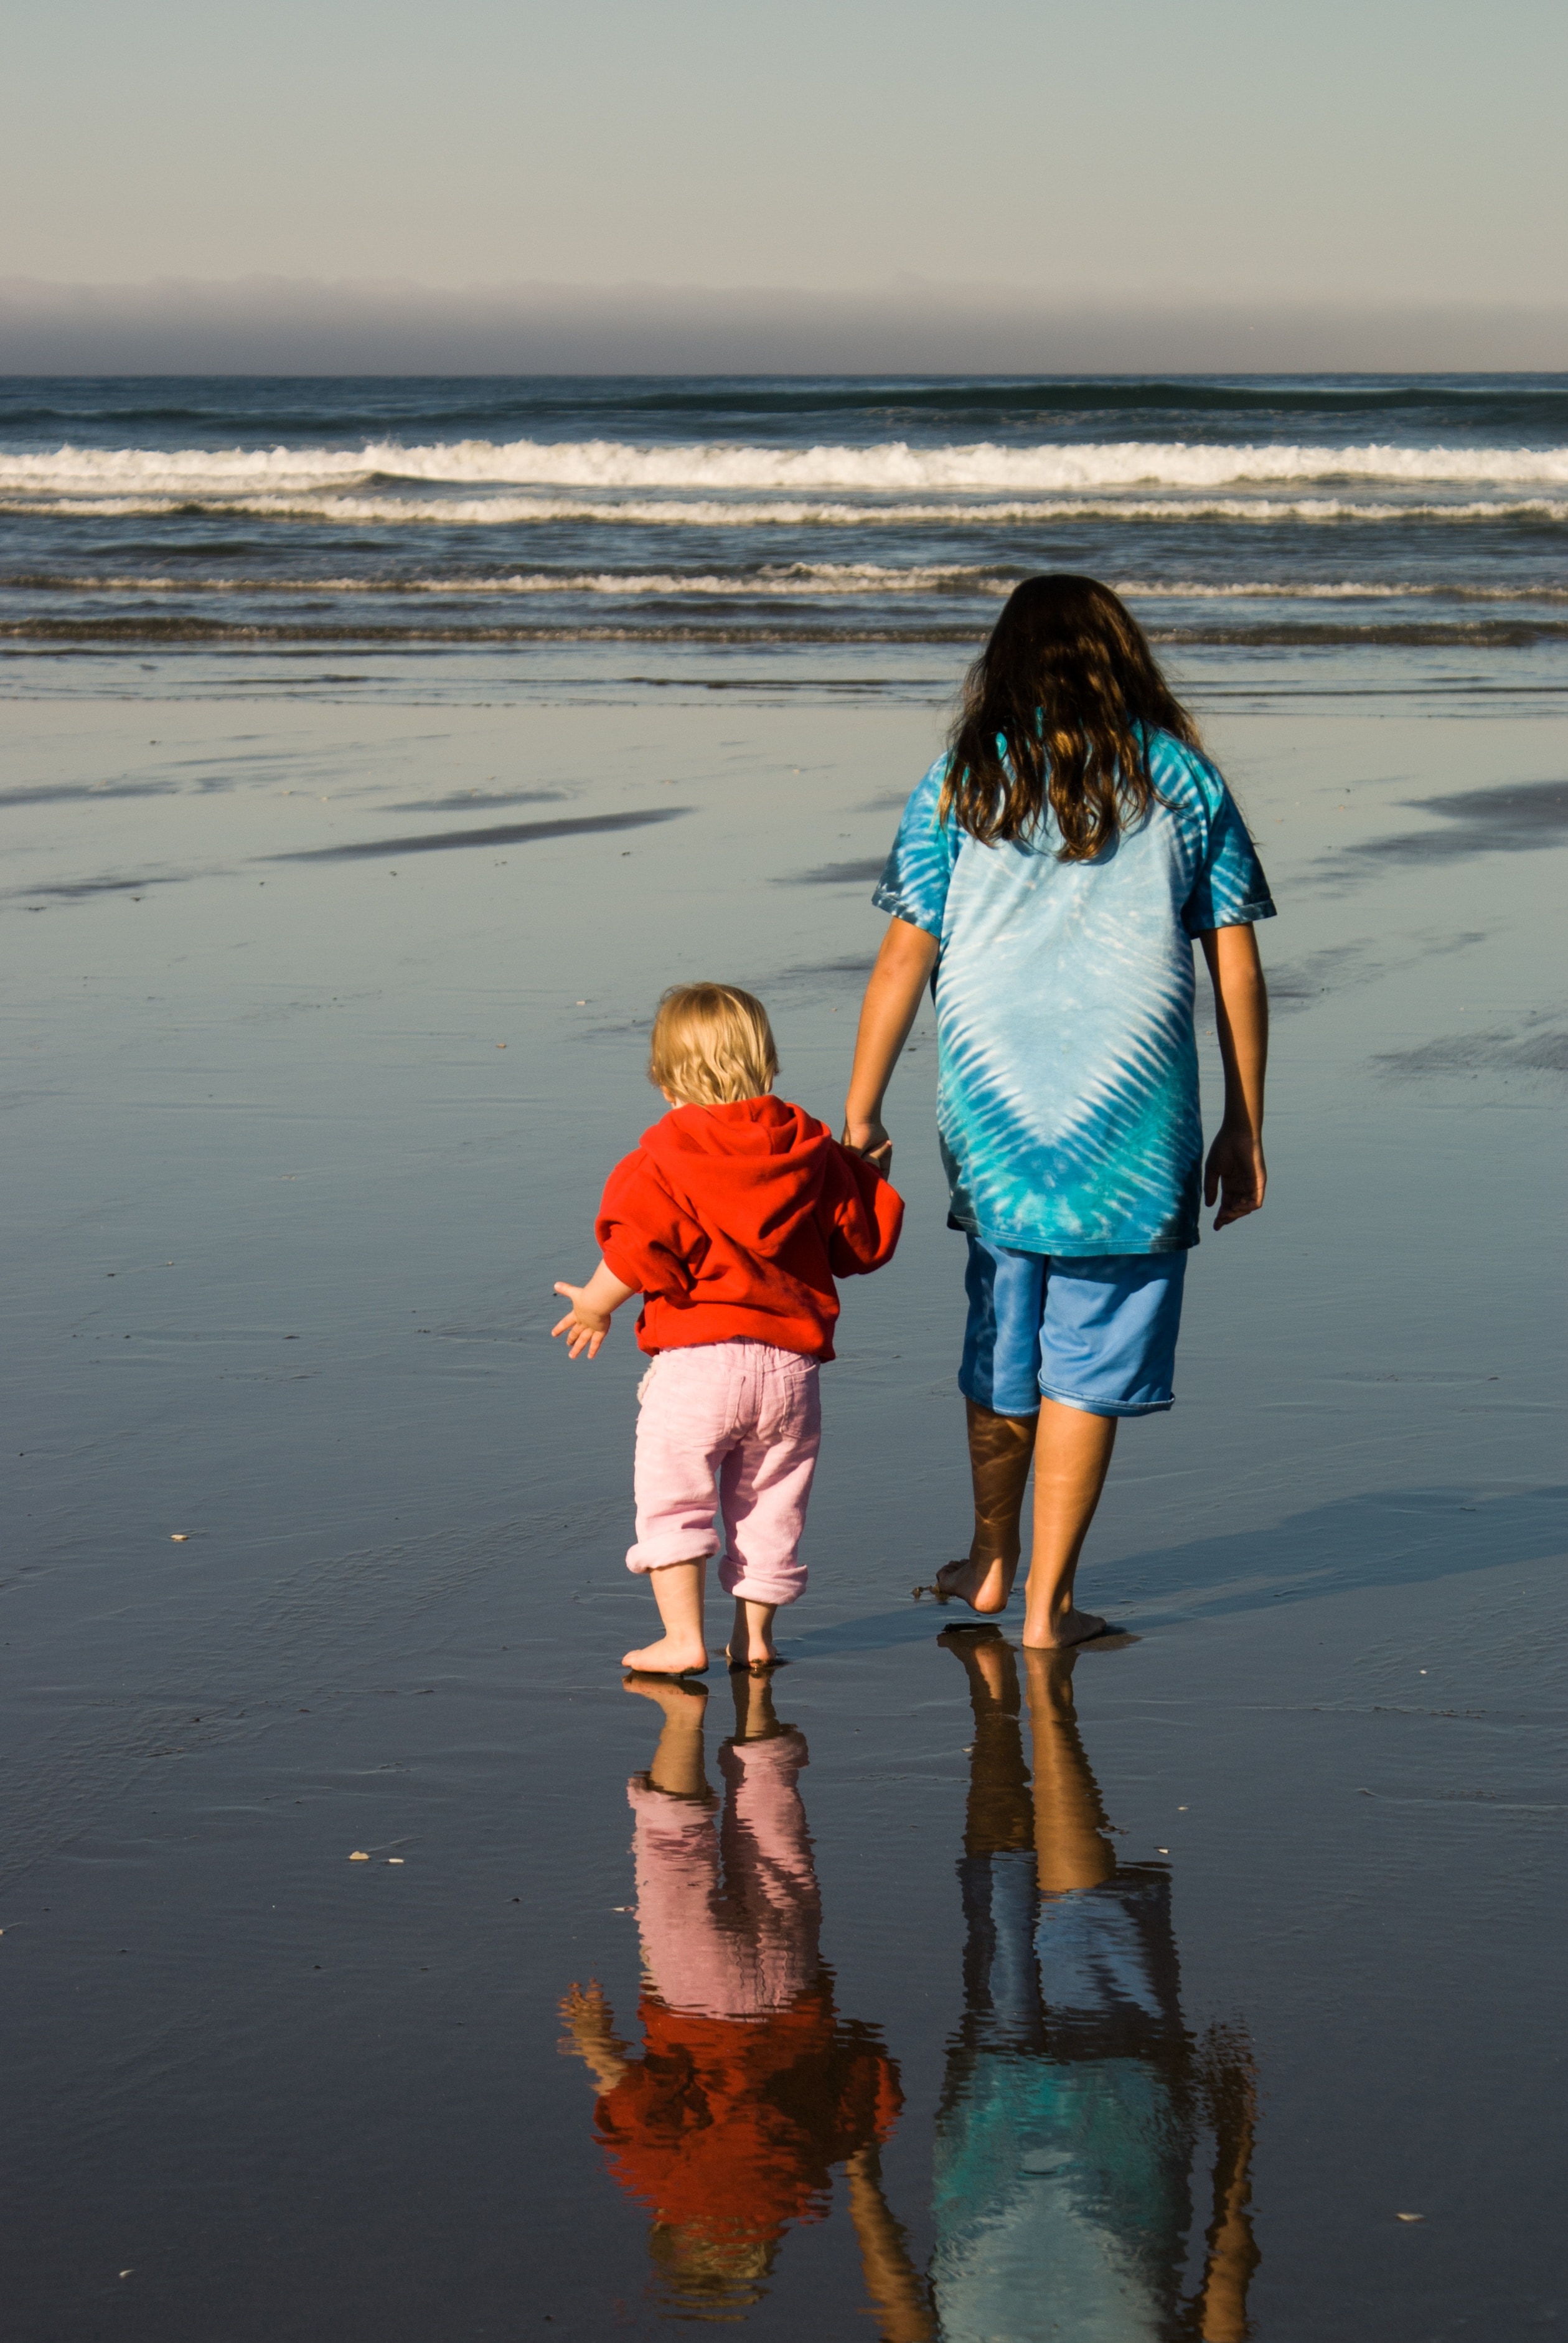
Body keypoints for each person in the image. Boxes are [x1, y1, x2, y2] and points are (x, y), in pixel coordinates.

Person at [843, 576, 1274, 1648]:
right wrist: (1244, 1123)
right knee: (1087, 1360)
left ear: (1004, 666)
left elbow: (906, 950)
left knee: (1003, 1328)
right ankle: (1042, 1604)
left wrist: (858, 1108)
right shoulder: (1179, 778)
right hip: (1134, 1131)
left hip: (991, 1116)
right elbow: (1234, 963)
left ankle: (989, 1558)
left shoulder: (961, 776)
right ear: (1124, 658)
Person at [553, 981, 903, 1675]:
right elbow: (859, 1246)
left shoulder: (662, 1157)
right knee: (771, 1503)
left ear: (662, 1079)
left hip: (695, 1366)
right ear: (767, 1063)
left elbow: (635, 1249)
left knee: (674, 1500)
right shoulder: (809, 1149)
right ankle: (754, 1637)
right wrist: (865, 1175)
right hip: (791, 1373)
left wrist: (595, 1304)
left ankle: (682, 1637)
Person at [558, 1673, 910, 2322]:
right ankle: (681, 1719)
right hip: (692, 1997)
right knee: (673, 1854)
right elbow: (632, 2096)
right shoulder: (665, 2181)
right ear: (671, 2225)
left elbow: (869, 2087)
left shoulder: (804, 2171)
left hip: (790, 1980)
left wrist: (858, 2156)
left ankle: (754, 1678)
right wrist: (593, 2044)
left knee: (774, 1834)